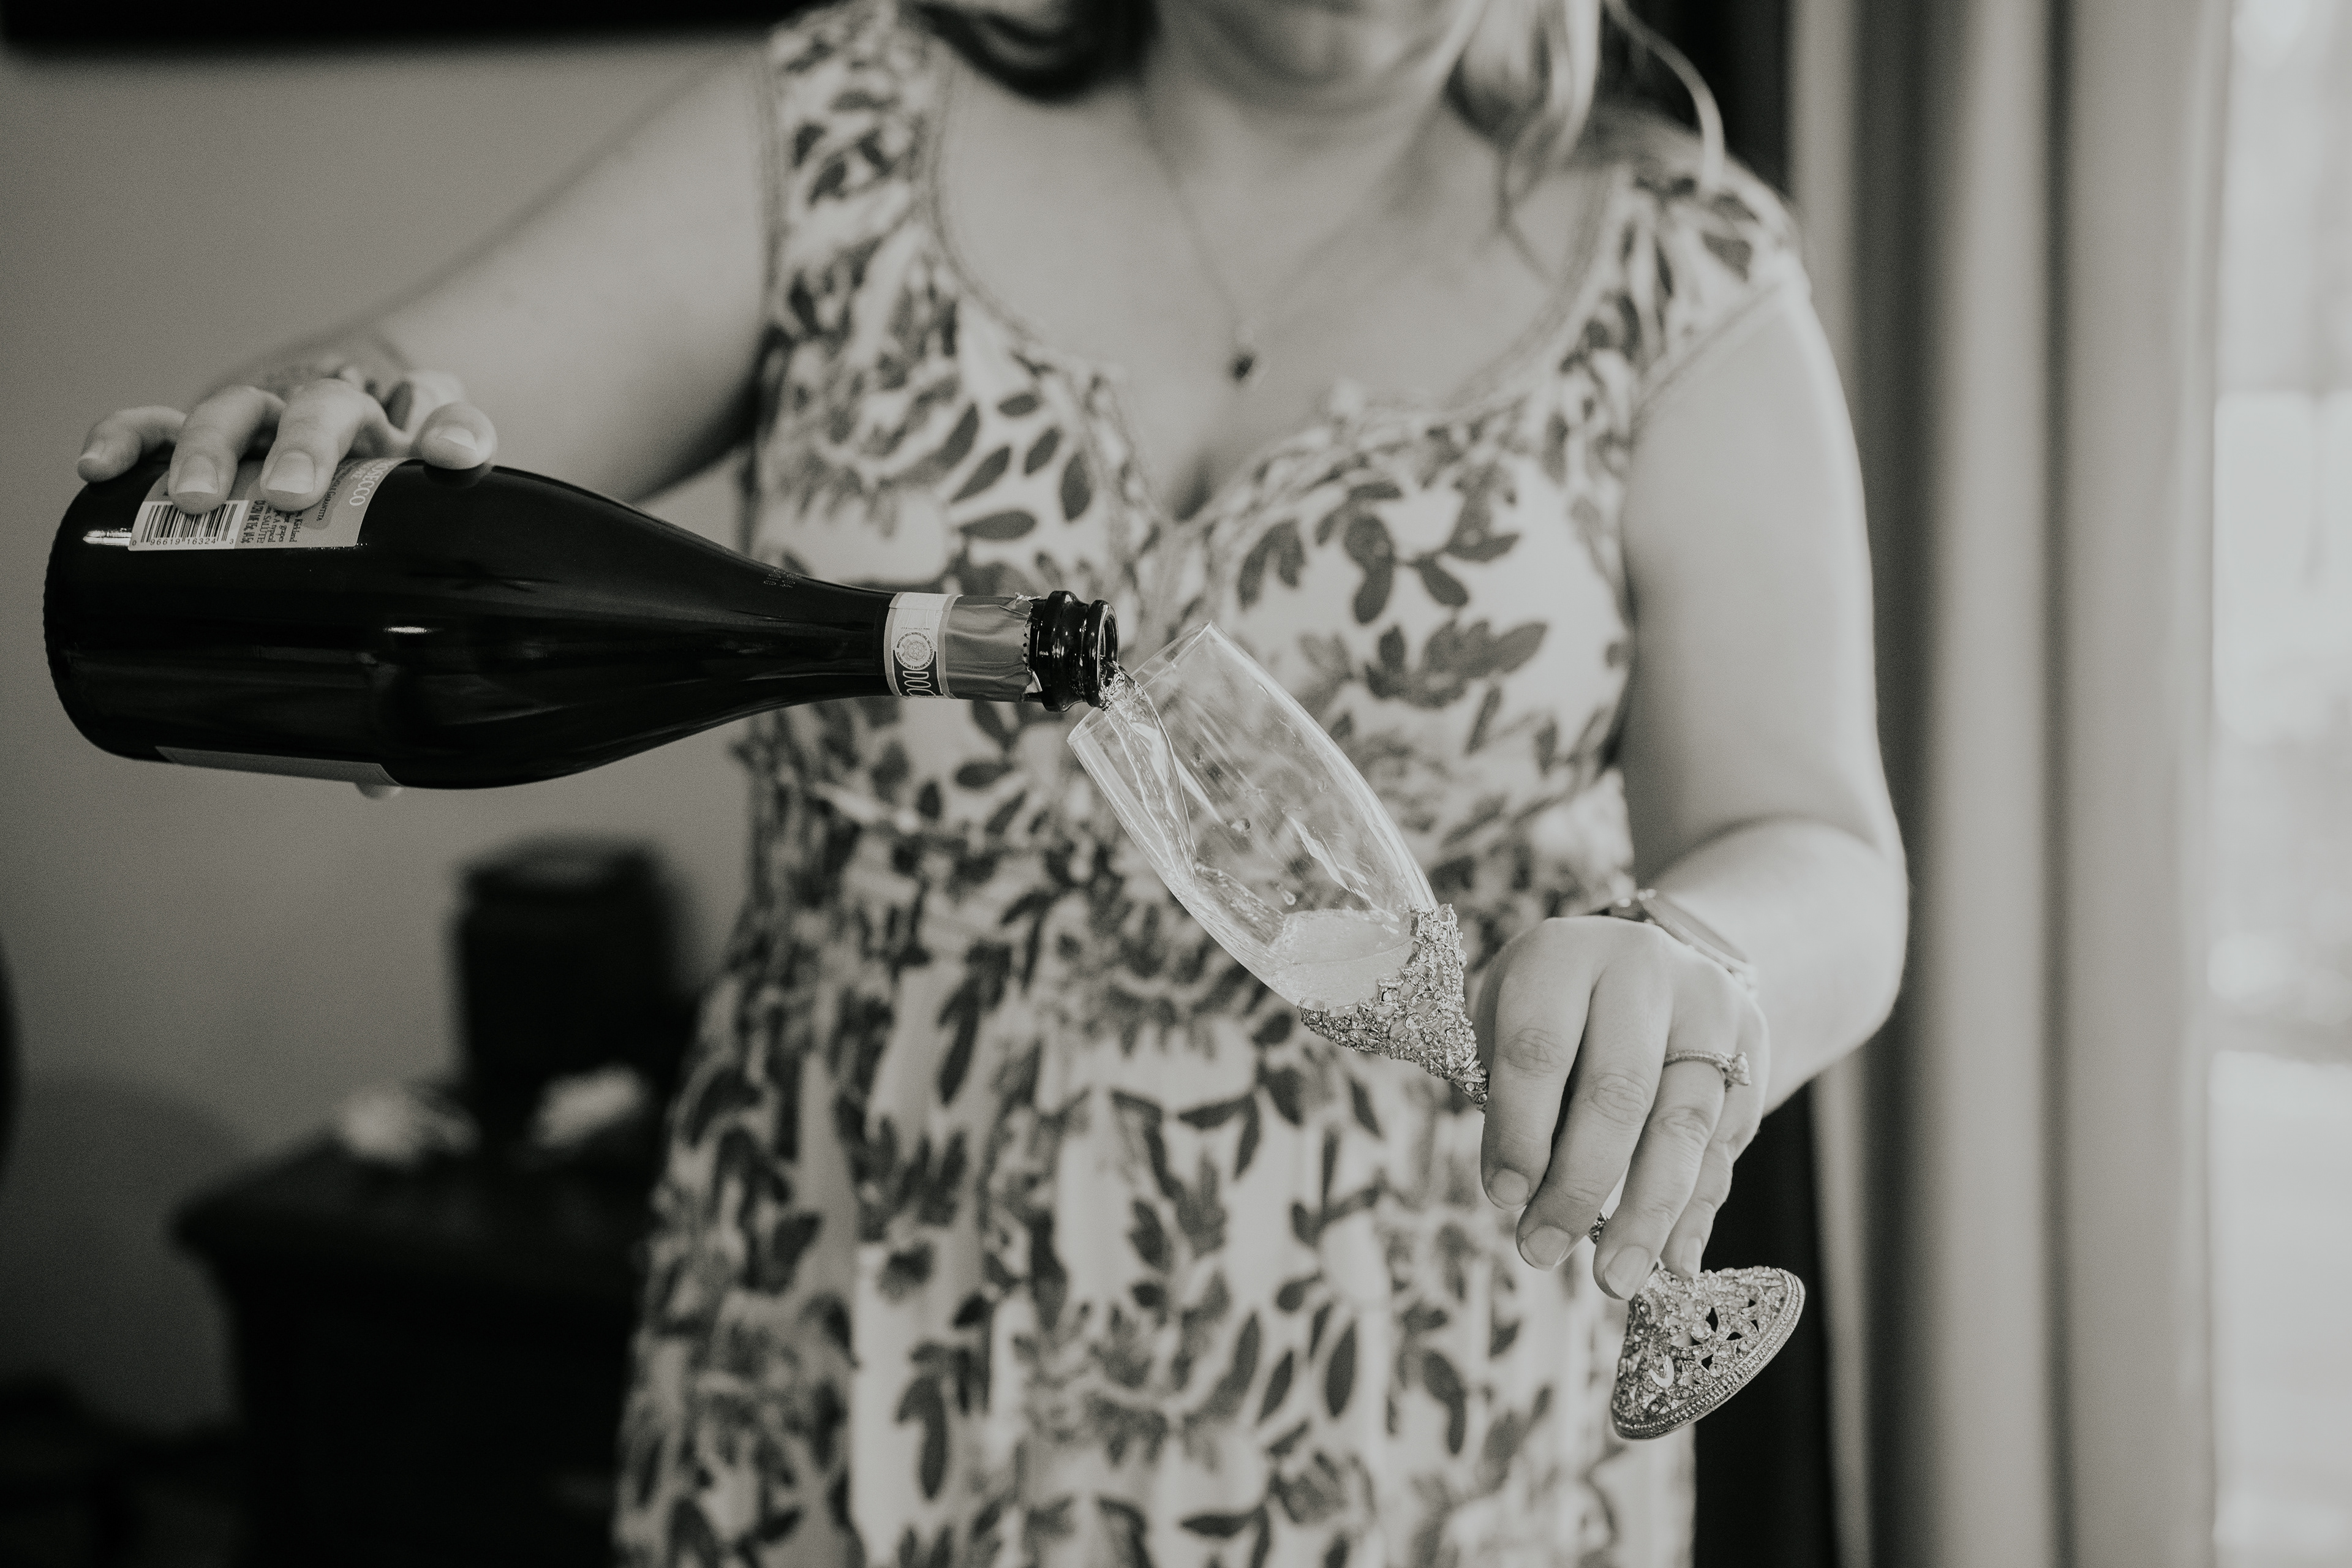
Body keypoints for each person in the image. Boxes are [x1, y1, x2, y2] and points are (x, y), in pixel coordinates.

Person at [73, 0, 1907, 1560]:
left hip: (1403, 1412)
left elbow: (1816, 845)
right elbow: (410, 421)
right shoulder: (845, 128)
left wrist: (1702, 962)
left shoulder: (1682, 271)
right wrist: (318, 436)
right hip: (833, 1348)